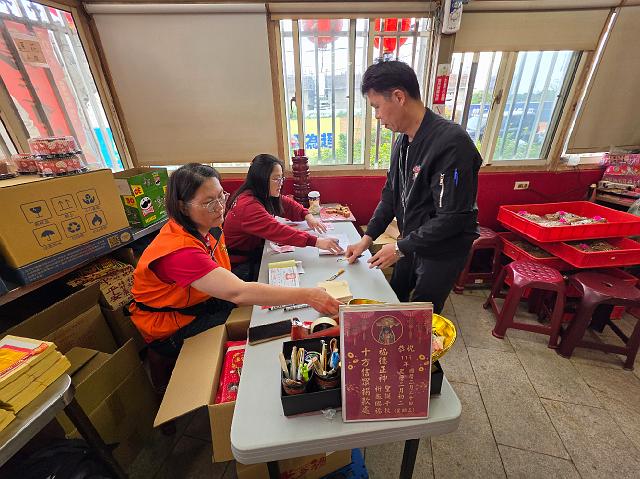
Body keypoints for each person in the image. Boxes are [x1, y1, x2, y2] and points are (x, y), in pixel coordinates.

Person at [130, 163, 340, 357]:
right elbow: (238, 292)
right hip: (172, 326)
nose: (220, 207)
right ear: (183, 207)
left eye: (221, 196)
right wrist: (308, 295)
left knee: (272, 314)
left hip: (200, 301)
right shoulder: (180, 251)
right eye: (209, 202)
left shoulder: (207, 226)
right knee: (269, 328)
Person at [345, 61, 482, 314]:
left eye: (377, 107)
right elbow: (391, 194)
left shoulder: (452, 143)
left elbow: (453, 217)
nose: (377, 116)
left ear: (399, 97)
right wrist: (367, 238)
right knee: (395, 297)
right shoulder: (402, 142)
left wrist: (400, 248)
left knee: (420, 314)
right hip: (411, 240)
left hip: (442, 249)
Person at [224, 154, 342, 281]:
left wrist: (307, 216)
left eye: (281, 178)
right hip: (240, 266)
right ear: (260, 179)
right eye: (276, 179)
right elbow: (277, 230)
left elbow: (286, 204)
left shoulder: (260, 193)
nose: (280, 183)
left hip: (254, 253)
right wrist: (317, 241)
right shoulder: (248, 206)